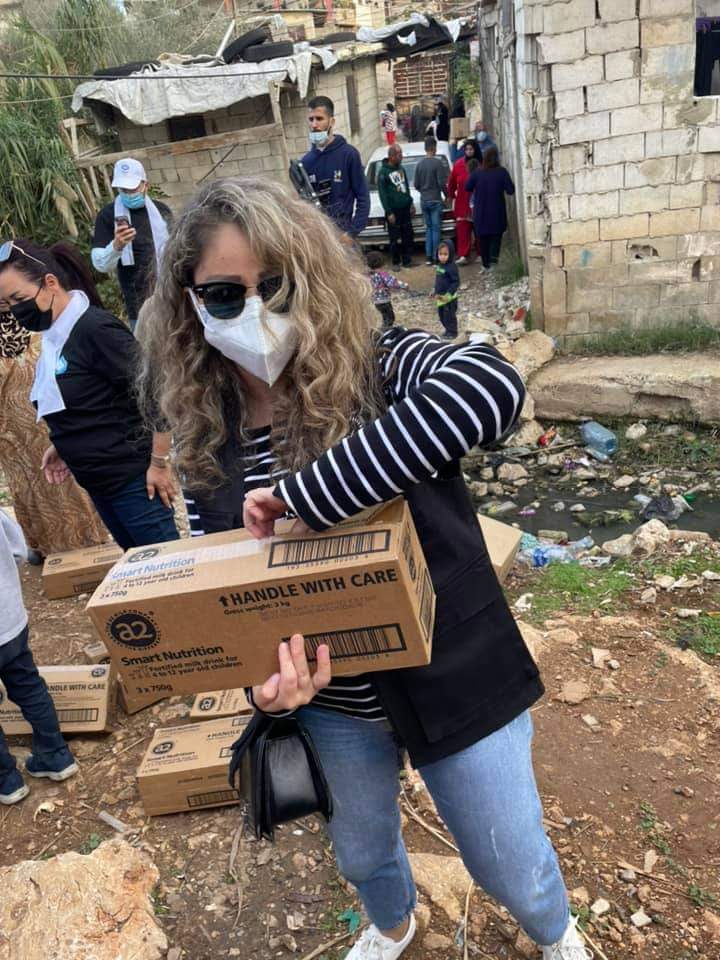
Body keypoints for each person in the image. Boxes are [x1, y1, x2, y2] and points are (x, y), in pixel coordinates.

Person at [136, 175, 593, 960]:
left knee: (509, 860)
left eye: (275, 285)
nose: (254, 311)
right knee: (361, 853)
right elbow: (231, 596)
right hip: (333, 705)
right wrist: (263, 689)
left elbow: (490, 388)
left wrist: (310, 495)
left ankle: (554, 932)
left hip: (453, 666)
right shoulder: (207, 440)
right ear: (190, 304)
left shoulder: (379, 366)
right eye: (224, 294)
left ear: (309, 278)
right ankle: (392, 924)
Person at [0, 240, 179, 551]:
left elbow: (155, 391)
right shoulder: (55, 337)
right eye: (6, 304)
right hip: (100, 483)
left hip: (133, 481)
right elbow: (86, 400)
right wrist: (63, 443)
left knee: (165, 565)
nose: (16, 310)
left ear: (50, 283)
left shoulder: (95, 330)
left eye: (19, 299)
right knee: (135, 564)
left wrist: (160, 462)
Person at [0, 312, 108, 559]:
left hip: (51, 415)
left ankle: (89, 540)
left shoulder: (36, 315)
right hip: (10, 429)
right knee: (28, 482)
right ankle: (43, 546)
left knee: (66, 477)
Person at [0, 508, 79, 805]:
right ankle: (55, 755)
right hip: (8, 620)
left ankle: (6, 780)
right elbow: (19, 551)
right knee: (28, 685)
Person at [91, 157, 172, 332]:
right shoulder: (108, 216)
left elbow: (175, 250)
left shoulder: (161, 211)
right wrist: (116, 246)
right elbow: (100, 264)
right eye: (123, 189)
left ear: (145, 185)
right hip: (137, 304)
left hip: (169, 296)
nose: (128, 194)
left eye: (132, 188)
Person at [301, 95, 370, 242]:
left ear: (332, 121)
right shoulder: (306, 162)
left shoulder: (348, 154)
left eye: (319, 119)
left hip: (344, 236)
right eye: (311, 119)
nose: (314, 124)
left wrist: (352, 233)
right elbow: (304, 205)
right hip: (320, 239)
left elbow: (363, 197)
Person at [465, 146, 516, 269]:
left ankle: (485, 265)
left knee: (483, 240)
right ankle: (494, 266)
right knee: (496, 239)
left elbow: (467, 187)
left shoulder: (477, 173)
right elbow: (510, 190)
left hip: (481, 213)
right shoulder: (502, 172)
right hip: (497, 213)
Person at [377, 144, 415, 269]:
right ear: (392, 156)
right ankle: (396, 262)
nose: (402, 157)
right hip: (393, 211)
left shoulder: (401, 169)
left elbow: (406, 187)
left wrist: (410, 203)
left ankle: (407, 260)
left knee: (407, 235)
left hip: (405, 208)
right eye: (399, 155)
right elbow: (382, 194)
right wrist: (389, 212)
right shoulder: (383, 173)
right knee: (394, 238)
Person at [413, 136, 447, 265]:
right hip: (435, 200)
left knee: (428, 229)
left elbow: (416, 184)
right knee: (436, 229)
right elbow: (442, 183)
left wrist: (423, 191)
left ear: (425, 148)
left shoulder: (419, 165)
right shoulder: (437, 164)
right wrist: (447, 195)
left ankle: (428, 257)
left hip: (424, 200)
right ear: (434, 148)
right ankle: (435, 256)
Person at [446, 138, 480, 266]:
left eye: (471, 149)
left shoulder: (480, 164)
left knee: (479, 230)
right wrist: (450, 196)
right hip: (462, 203)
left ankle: (481, 253)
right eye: (467, 149)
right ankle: (463, 255)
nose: (469, 151)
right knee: (462, 230)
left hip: (478, 203)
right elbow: (452, 183)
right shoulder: (458, 165)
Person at [366, 250, 408, 329]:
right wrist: (404, 285)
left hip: (374, 300)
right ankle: (385, 330)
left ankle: (382, 328)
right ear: (382, 263)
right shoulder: (383, 274)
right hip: (384, 300)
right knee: (390, 318)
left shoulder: (368, 275)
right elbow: (392, 283)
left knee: (383, 315)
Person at [433, 239, 459, 339]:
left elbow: (456, 282)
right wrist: (434, 290)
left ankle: (452, 332)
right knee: (442, 316)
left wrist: (449, 294)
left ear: (450, 254)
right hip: (440, 297)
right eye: (440, 254)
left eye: (445, 254)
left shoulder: (452, 267)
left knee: (449, 316)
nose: (442, 256)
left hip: (449, 298)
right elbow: (438, 280)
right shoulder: (440, 266)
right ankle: (447, 330)